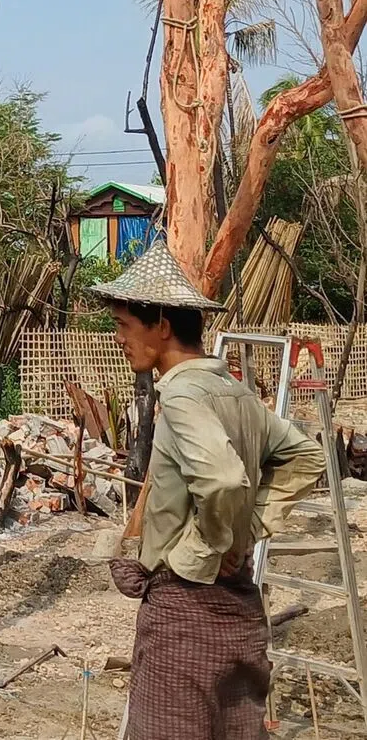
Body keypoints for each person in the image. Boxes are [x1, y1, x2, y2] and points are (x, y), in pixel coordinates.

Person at [93, 239, 325, 740]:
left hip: (185, 618)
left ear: (161, 325)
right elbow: (307, 456)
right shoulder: (236, 393)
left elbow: (221, 479)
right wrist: (248, 529)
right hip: (239, 614)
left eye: (123, 325)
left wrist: (208, 547)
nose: (117, 338)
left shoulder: (180, 395)